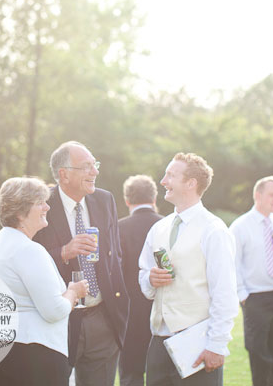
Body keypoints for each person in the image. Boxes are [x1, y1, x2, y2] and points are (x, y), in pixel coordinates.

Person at [33, 141, 129, 386]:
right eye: (86, 166)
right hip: (58, 321)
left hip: (103, 320)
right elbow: (29, 259)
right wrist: (64, 251)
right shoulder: (40, 203)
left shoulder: (105, 200)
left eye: (94, 165)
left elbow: (115, 253)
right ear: (63, 174)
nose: (95, 172)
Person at [138, 152, 239, 386]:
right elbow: (143, 276)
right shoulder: (158, 228)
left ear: (191, 183)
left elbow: (224, 293)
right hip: (158, 343)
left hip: (198, 345)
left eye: (171, 175)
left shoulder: (214, 230)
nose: (163, 181)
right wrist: (150, 280)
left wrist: (217, 345)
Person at [0, 177, 89, 386]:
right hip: (33, 353)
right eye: (40, 202)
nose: (47, 206)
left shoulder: (1, 242)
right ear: (20, 212)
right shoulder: (29, 250)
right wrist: (73, 293)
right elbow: (54, 311)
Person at [229, 176, 273, 386]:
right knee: (258, 354)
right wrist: (243, 296)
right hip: (255, 298)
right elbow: (233, 264)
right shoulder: (240, 226)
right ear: (258, 195)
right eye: (271, 195)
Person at [118, 175, 163, 386]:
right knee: (164, 374)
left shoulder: (118, 228)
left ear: (127, 200)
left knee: (130, 375)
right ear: (154, 198)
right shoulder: (167, 226)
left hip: (128, 313)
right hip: (164, 310)